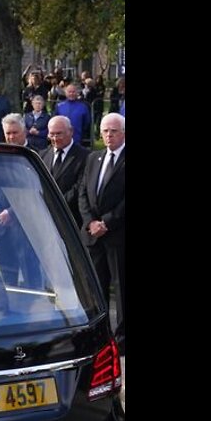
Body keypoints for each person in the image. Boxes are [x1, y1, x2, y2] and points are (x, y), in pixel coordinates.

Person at [78, 113, 126, 354]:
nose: (109, 135)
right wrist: (90, 222)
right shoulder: (93, 158)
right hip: (93, 235)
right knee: (96, 286)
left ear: (123, 133)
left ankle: (122, 338)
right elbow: (83, 194)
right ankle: (102, 334)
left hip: (117, 235)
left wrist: (106, 222)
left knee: (120, 286)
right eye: (105, 131)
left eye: (114, 131)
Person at [0, 114, 42, 288]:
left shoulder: (33, 155)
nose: (11, 137)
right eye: (8, 133)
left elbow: (33, 191)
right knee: (6, 276)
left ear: (24, 132)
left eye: (15, 132)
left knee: (30, 275)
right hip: (0, 227)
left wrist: (11, 212)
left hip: (25, 226)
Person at [40, 115, 85, 227]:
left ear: (71, 131)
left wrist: (56, 204)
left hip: (71, 218)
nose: (55, 138)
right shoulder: (42, 155)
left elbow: (79, 186)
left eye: (59, 134)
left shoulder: (85, 157)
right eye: (52, 134)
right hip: (45, 217)